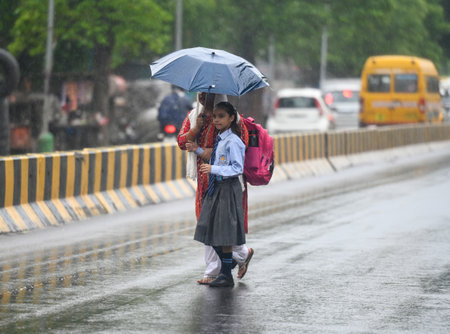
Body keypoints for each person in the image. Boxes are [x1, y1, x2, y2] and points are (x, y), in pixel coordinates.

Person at [177, 92, 254, 285]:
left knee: (224, 228)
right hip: (207, 181)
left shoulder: (236, 125)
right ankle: (228, 265)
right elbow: (182, 142)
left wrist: (211, 163)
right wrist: (197, 129)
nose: (204, 98)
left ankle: (222, 271)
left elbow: (237, 154)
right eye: (202, 94)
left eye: (210, 94)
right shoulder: (195, 116)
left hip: (226, 183)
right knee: (208, 228)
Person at [194, 101, 246, 288]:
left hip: (227, 189)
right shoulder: (220, 139)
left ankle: (226, 274)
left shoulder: (233, 141)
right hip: (216, 188)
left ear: (231, 118)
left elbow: (237, 167)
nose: (216, 120)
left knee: (223, 232)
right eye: (215, 116)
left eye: (221, 116)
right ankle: (227, 265)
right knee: (206, 229)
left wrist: (213, 168)